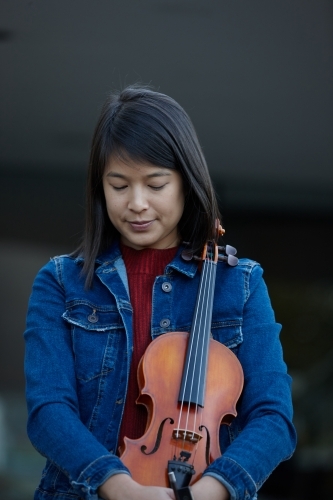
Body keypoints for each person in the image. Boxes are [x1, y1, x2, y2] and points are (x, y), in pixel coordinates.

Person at [24, 86, 296, 500]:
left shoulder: (240, 284)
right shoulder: (61, 282)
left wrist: (212, 489)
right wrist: (116, 485)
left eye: (155, 184)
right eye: (118, 186)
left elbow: (274, 418)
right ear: (100, 188)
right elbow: (48, 410)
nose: (136, 203)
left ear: (186, 183)